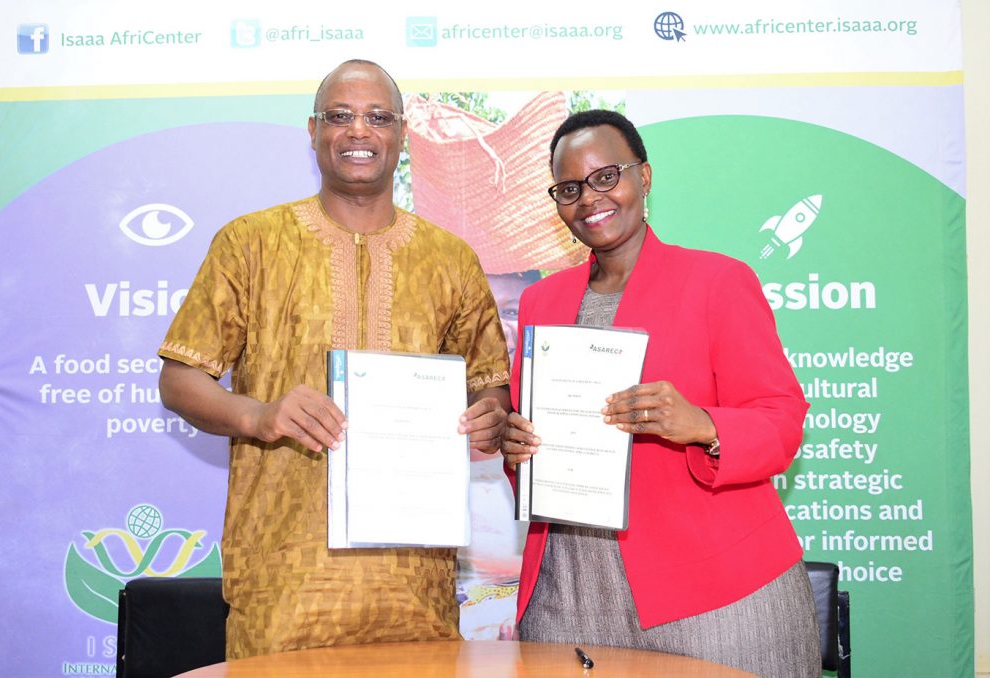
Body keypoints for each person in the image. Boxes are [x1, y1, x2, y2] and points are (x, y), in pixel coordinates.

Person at [158, 59, 511, 660]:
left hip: (414, 588)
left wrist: (489, 417)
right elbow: (179, 378)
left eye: (378, 118)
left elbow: (490, 387)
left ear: (401, 135)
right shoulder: (250, 242)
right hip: (283, 582)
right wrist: (258, 416)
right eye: (340, 116)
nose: (358, 132)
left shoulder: (450, 258)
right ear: (313, 129)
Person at [501, 110, 821, 678]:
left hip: (712, 593)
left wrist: (699, 423)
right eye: (570, 188)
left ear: (644, 177)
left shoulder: (717, 282)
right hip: (566, 594)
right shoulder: (540, 303)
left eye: (607, 176)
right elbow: (539, 451)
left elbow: (781, 420)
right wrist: (516, 446)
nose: (589, 199)